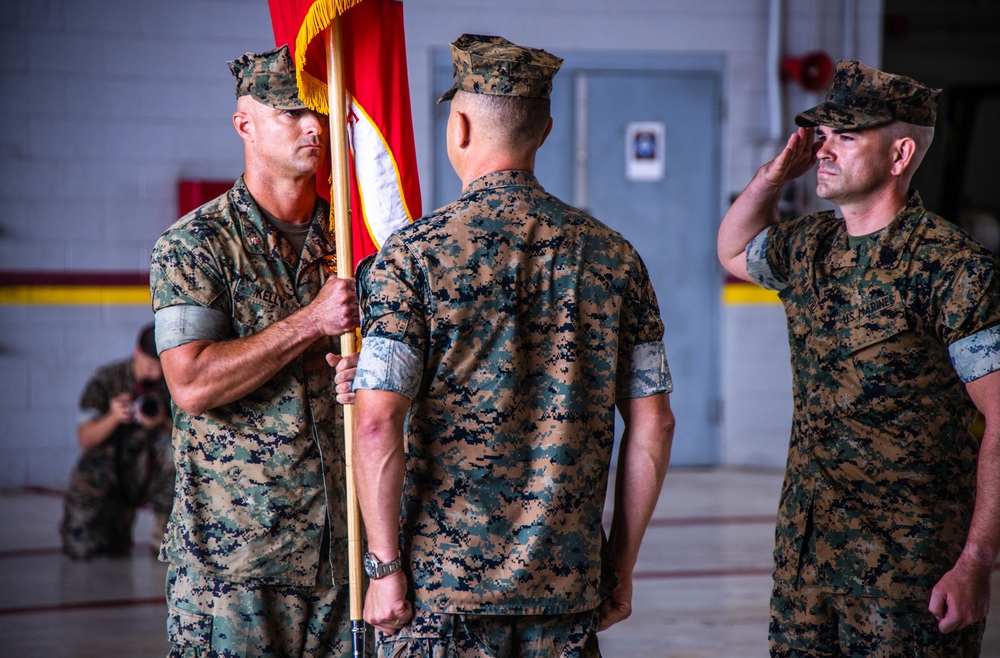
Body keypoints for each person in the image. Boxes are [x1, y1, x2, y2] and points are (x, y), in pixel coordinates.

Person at [351, 34, 676, 657]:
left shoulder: (414, 258)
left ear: (461, 126)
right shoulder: (614, 258)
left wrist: (385, 569)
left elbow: (375, 425)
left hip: (442, 595)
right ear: (547, 129)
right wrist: (620, 565)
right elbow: (654, 424)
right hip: (567, 588)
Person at [718, 60, 1000, 657]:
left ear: (898, 156)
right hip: (808, 558)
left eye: (846, 136)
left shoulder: (952, 268)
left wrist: (977, 560)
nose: (824, 148)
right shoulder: (811, 245)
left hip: (907, 572)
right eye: (823, 133)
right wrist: (772, 177)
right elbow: (735, 250)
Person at [149, 45, 361, 657]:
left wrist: (363, 372)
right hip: (234, 563)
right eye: (292, 112)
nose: (314, 126)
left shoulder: (353, 241)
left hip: (340, 554)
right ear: (245, 124)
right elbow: (191, 384)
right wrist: (311, 321)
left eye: (320, 110)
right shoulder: (195, 245)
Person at [60, 322, 174, 560]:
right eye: (151, 366)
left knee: (174, 450)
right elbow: (86, 439)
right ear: (137, 353)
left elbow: (193, 439)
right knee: (82, 548)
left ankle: (167, 536)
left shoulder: (173, 381)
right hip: (111, 472)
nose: (156, 374)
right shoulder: (107, 379)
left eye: (161, 366)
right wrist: (114, 416)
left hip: (155, 471)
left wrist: (162, 423)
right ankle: (115, 524)